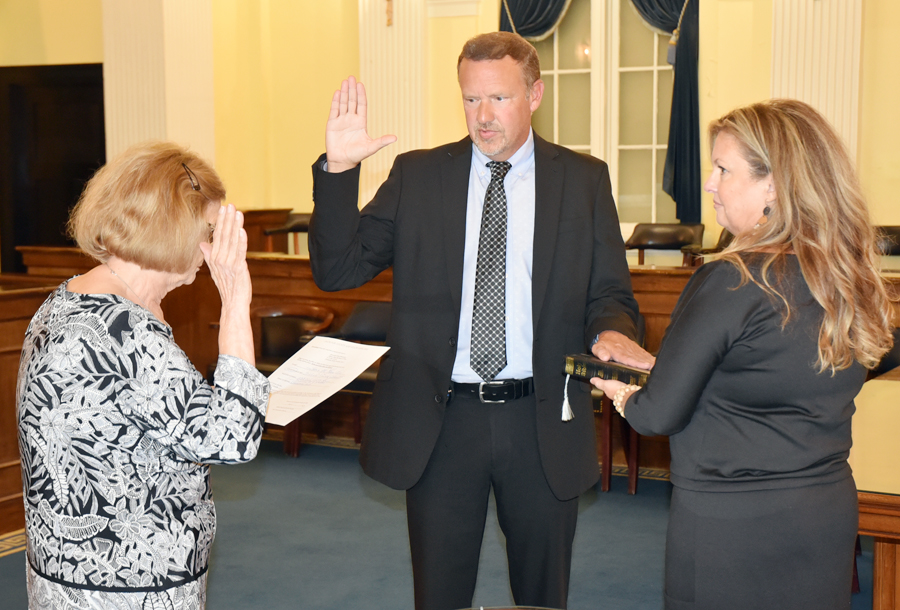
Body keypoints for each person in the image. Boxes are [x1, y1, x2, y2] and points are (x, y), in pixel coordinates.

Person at [309, 31, 653, 610]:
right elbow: (338, 270)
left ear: (535, 94)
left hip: (540, 418)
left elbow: (610, 292)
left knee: (542, 597)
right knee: (439, 595)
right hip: (443, 422)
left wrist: (611, 331)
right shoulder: (418, 176)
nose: (483, 117)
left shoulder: (583, 180)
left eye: (498, 99)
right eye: (471, 100)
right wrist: (339, 171)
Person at [591, 99, 894, 610]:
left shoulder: (733, 278)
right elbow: (782, 372)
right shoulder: (847, 276)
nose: (709, 183)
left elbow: (658, 415)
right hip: (823, 514)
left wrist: (620, 390)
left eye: (723, 169)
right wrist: (667, 370)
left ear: (773, 184)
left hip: (730, 527)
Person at [17, 142, 270, 610]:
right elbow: (233, 439)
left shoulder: (66, 300)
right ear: (175, 229)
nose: (214, 247)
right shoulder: (127, 331)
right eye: (209, 231)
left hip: (64, 573)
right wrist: (236, 300)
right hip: (131, 584)